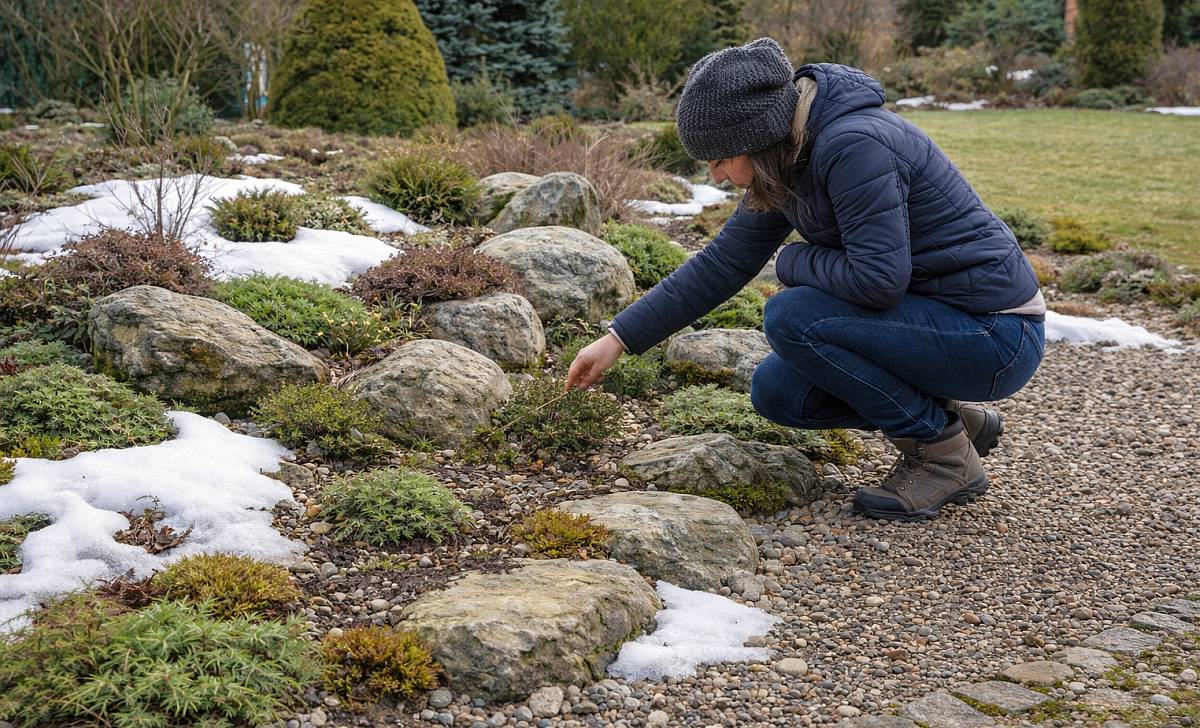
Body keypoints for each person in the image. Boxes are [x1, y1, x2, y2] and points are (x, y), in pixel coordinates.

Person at [565, 37, 1045, 522]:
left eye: (718, 158)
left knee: (794, 316)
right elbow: (722, 263)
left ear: (753, 138)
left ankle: (944, 457)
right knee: (780, 391)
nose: (715, 173)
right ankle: (956, 424)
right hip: (941, 323)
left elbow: (879, 281)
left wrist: (792, 261)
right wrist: (618, 339)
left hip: (996, 335)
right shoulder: (790, 158)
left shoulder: (853, 145)